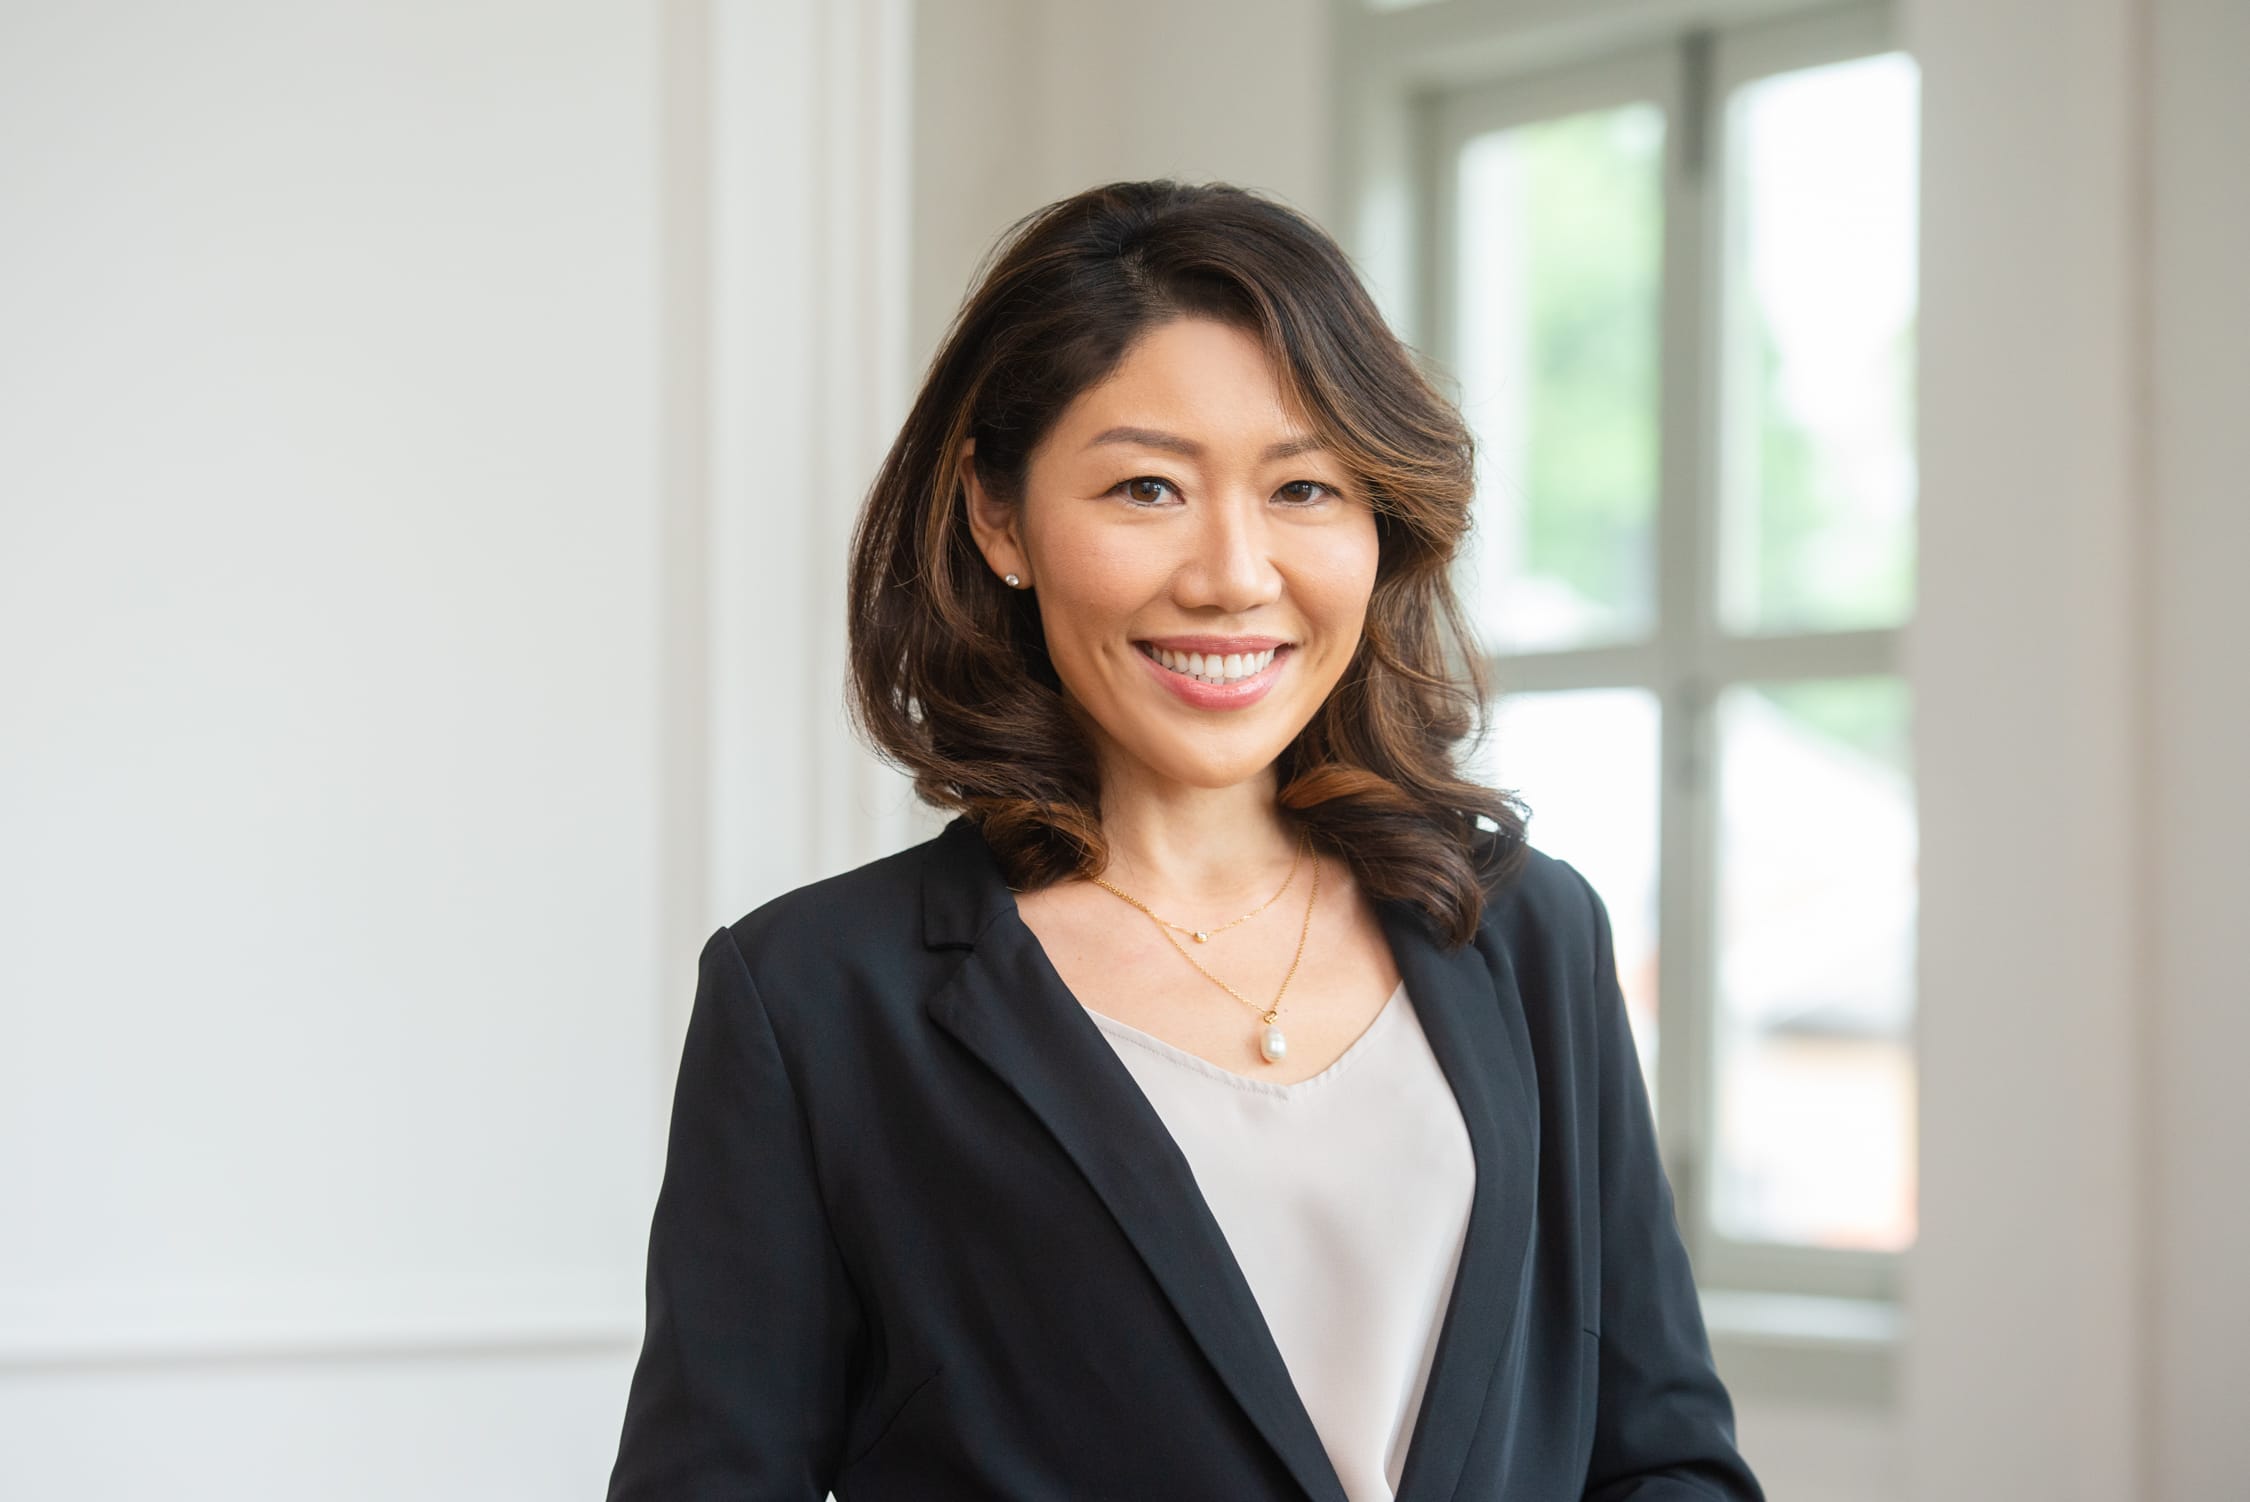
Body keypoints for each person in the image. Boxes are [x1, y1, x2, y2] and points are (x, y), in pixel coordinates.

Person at [605, 179, 1763, 1502]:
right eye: (1146, 486)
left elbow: (1662, 1457)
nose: (1231, 572)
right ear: (998, 516)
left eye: (1305, 487)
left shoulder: (1522, 934)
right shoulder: (815, 997)